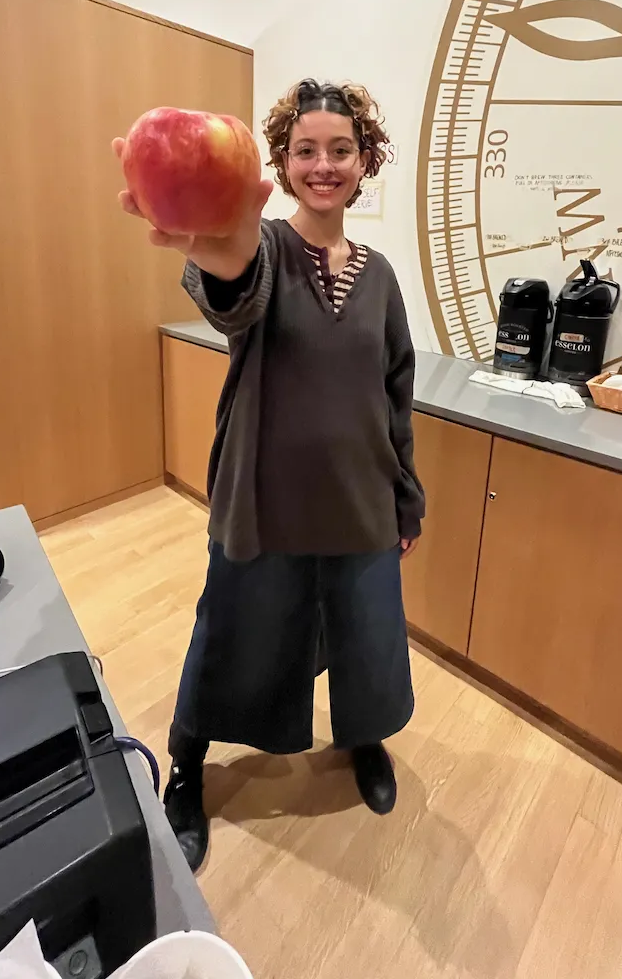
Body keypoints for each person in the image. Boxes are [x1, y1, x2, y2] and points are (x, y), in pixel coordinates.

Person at [113, 78, 424, 872]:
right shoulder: (259, 246)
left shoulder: (382, 276)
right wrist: (213, 247)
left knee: (368, 634)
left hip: (361, 496)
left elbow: (396, 389)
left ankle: (363, 738)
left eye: (341, 150)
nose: (325, 164)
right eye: (306, 150)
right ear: (282, 165)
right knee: (232, 631)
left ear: (365, 161)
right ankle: (188, 763)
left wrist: (406, 498)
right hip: (263, 495)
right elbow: (232, 294)